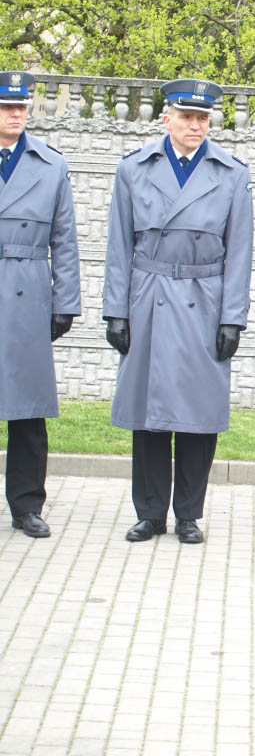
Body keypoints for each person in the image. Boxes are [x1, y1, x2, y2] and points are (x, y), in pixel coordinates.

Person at [102, 78, 253, 544]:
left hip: (204, 299)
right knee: (147, 413)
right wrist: (115, 311)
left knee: (198, 413)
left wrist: (233, 318)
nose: (195, 125)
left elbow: (240, 252)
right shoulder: (134, 168)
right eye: (187, 117)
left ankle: (189, 513)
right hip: (148, 297)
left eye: (203, 118)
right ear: (166, 118)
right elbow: (118, 245)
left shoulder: (231, 173)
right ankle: (150, 513)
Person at [0, 71, 81, 539]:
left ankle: (27, 503)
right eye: (7, 107)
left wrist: (64, 301)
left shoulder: (50, 165)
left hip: (28, 291)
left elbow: (64, 239)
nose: (16, 114)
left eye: (21, 106)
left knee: (27, 407)